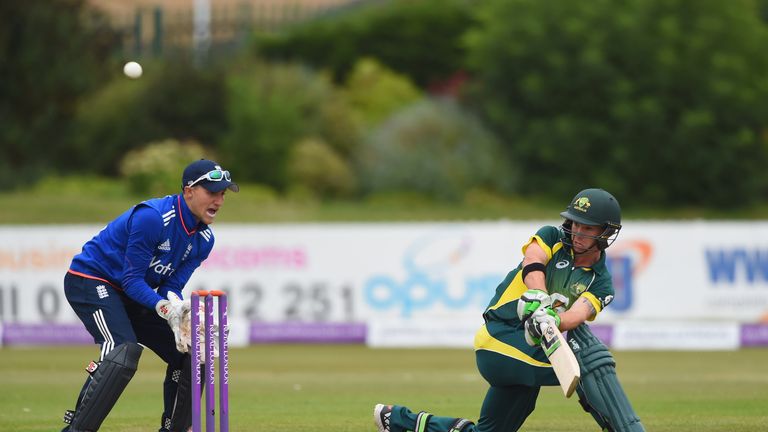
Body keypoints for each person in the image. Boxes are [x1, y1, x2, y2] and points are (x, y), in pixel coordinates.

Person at [373, 188, 645, 432]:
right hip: (500, 338)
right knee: (591, 360)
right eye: (575, 222)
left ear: (606, 232)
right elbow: (533, 261)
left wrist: (554, 318)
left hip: (535, 345)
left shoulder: (602, 281)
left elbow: (579, 314)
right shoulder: (551, 236)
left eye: (587, 228)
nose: (577, 231)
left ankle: (399, 420)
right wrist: (539, 297)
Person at [61, 159, 238, 432]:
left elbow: (170, 285)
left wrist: (177, 309)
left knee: (193, 354)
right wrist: (166, 309)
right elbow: (131, 281)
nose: (219, 200)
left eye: (222, 194)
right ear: (189, 191)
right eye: (212, 192)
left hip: (132, 294)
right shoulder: (153, 218)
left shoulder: (203, 240)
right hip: (91, 279)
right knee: (123, 350)